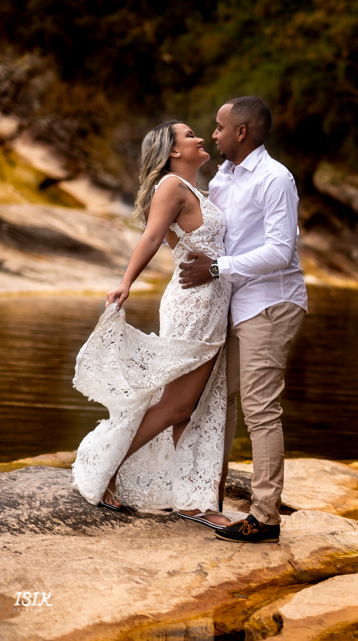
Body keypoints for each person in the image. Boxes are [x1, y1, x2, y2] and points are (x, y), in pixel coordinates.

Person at [72, 121, 233, 529]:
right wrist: (125, 283)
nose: (201, 138)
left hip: (211, 306)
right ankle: (105, 470)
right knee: (179, 405)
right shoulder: (171, 187)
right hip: (193, 306)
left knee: (190, 408)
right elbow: (150, 237)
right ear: (174, 151)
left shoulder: (197, 190)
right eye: (191, 135)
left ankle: (191, 496)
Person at [178, 96, 307, 543]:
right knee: (219, 400)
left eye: (219, 127)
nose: (212, 134)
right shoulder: (223, 177)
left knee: (260, 410)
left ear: (242, 132)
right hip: (233, 303)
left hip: (269, 304)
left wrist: (215, 269)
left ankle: (265, 517)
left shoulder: (275, 179)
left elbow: (280, 252)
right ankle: (207, 494)